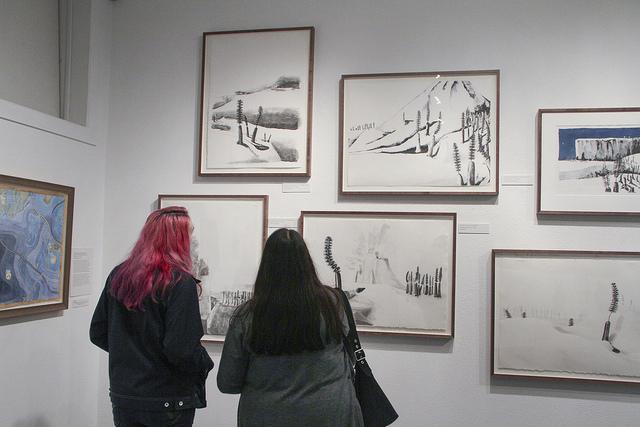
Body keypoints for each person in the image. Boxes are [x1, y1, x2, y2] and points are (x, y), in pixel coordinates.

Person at [217, 228, 364, 427]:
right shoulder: (333, 303)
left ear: (266, 267)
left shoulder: (247, 315)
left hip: (267, 416)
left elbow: (228, 382)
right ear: (306, 263)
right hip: (332, 413)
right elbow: (350, 355)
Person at [90, 206, 214, 427]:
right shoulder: (180, 281)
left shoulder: (119, 275)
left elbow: (98, 332)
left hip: (126, 397)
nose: (194, 240)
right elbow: (180, 348)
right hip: (167, 400)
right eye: (190, 233)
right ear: (178, 239)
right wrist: (205, 363)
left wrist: (133, 356)